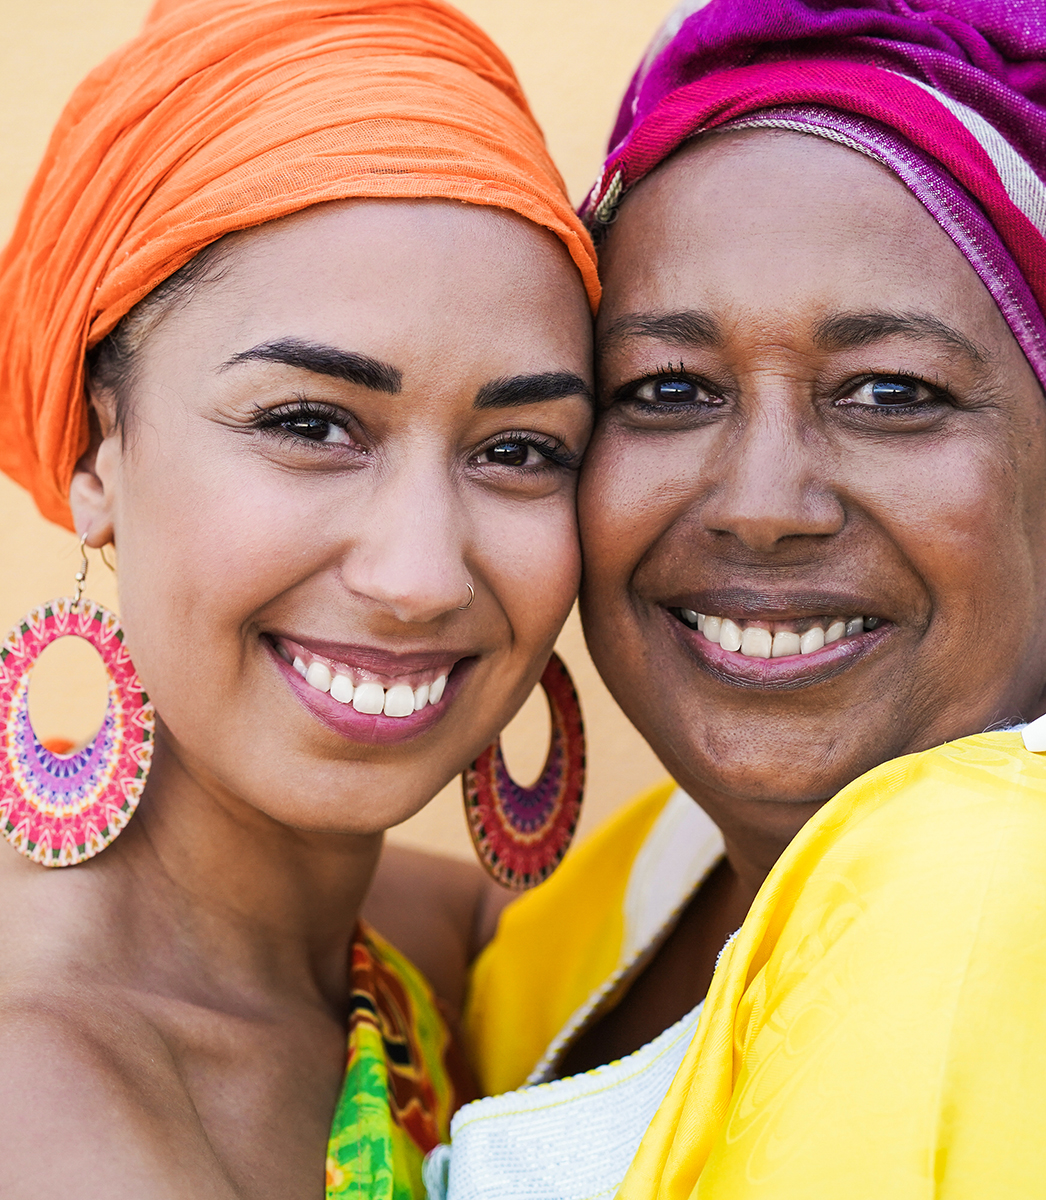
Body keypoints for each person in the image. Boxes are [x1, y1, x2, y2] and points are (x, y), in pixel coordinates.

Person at [423, 0, 1046, 1195]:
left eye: (891, 392)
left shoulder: (993, 884)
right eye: (668, 389)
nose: (763, 505)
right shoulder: (643, 876)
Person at [0, 0, 600, 1195]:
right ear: (97, 456)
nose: (420, 576)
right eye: (311, 425)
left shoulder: (417, 944)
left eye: (519, 449)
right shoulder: (49, 1097)